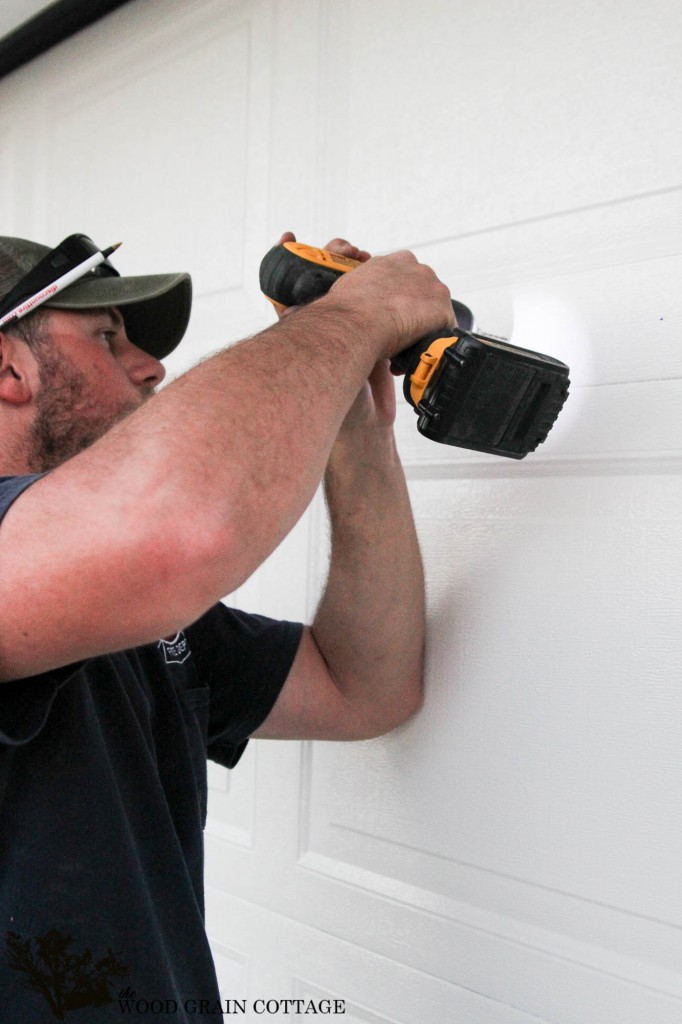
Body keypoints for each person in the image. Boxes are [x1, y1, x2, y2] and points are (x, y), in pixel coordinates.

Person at [0, 229, 455, 1021]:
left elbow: (366, 686)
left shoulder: (126, 614)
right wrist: (353, 322)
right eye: (108, 338)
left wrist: (359, 434)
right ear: (8, 367)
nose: (151, 366)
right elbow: (182, 528)